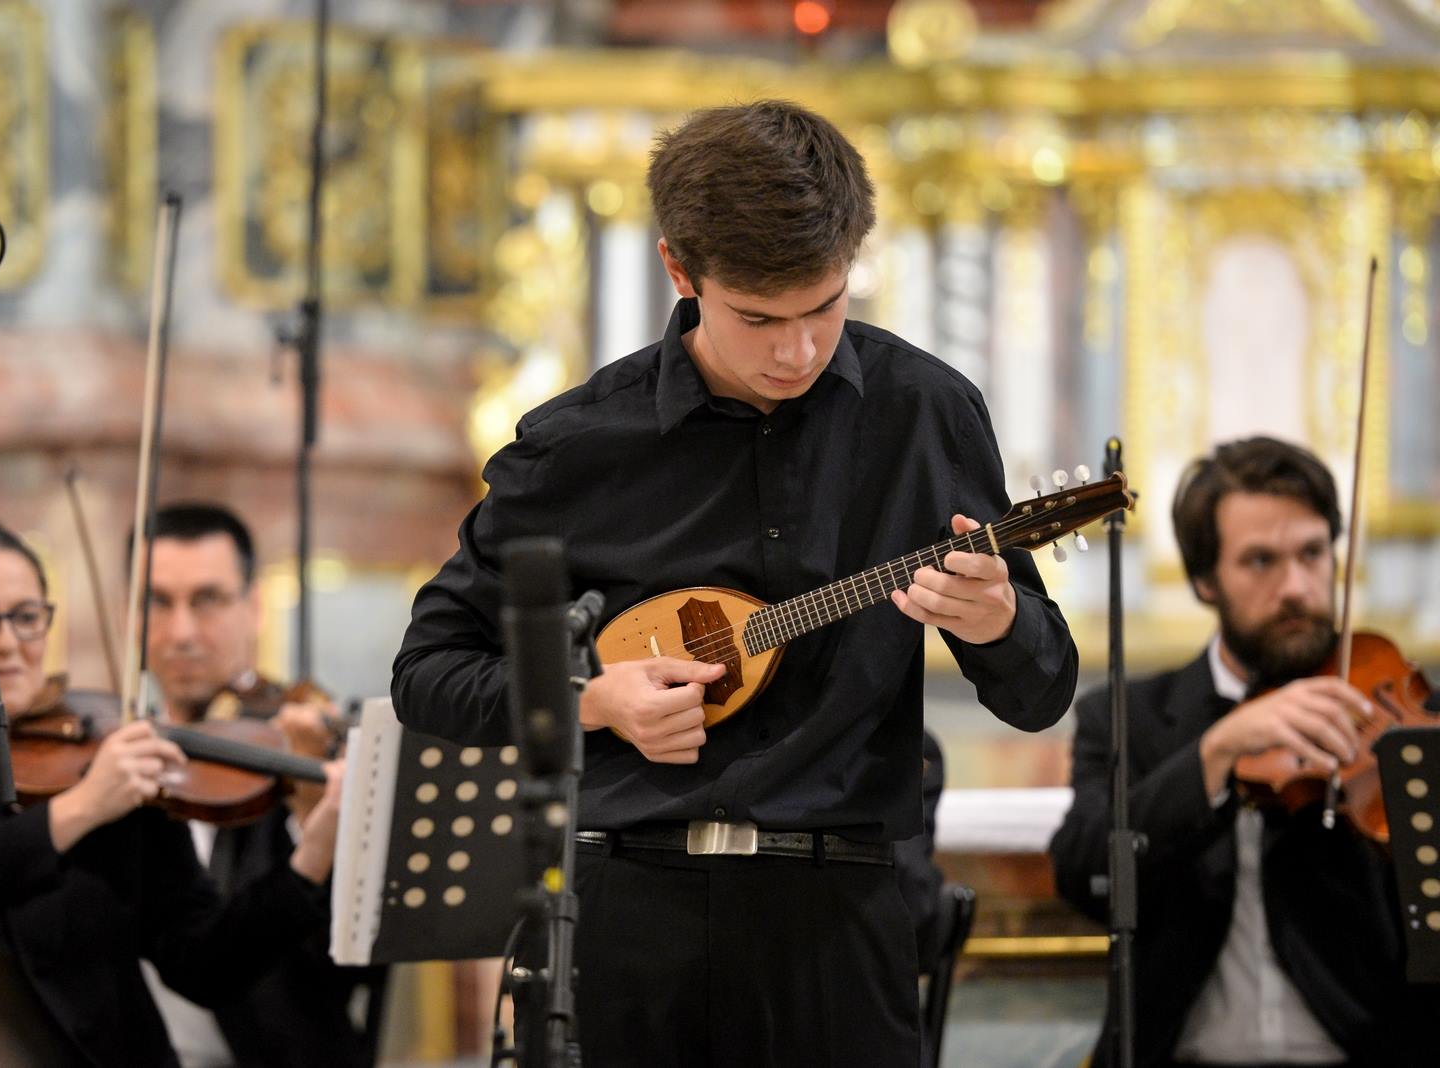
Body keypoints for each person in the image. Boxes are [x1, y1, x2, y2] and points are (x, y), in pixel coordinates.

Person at [393, 99, 1078, 1067]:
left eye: (825, 309)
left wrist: (1001, 620)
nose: (795, 352)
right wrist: (593, 703)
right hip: (626, 914)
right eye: (758, 318)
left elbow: (1040, 693)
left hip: (839, 918)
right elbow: (428, 674)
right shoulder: (576, 448)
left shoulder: (924, 414)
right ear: (680, 271)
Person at [0, 517, 344, 1068]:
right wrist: (75, 813)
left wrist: (310, 859)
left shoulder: (108, 763)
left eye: (27, 618)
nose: (5, 644)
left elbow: (204, 965)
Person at [1049, 436, 1430, 1068]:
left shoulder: (1396, 702)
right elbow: (1084, 871)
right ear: (1204, 581)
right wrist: (1218, 751)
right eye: (1260, 562)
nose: (1297, 587)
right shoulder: (1127, 717)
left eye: (1313, 553)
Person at [136, 502, 384, 1068]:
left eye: (208, 600)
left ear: (254, 608)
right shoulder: (112, 767)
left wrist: (311, 815)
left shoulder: (300, 756)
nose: (181, 633)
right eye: (158, 602)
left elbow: (354, 967)